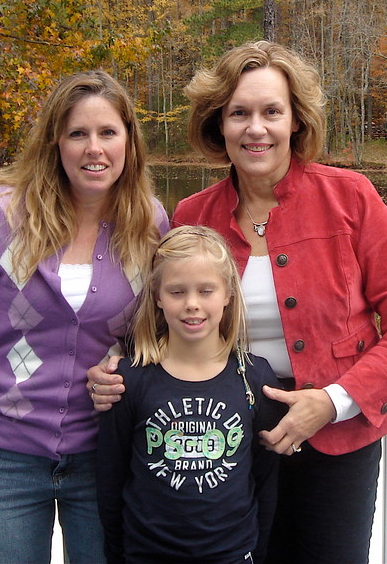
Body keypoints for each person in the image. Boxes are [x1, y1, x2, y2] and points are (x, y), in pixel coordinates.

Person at [90, 41, 387, 564]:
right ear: (219, 124)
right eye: (239, 113)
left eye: (272, 111)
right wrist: (118, 365)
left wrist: (333, 401)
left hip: (337, 439)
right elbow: (164, 316)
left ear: (296, 120)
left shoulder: (351, 199)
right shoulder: (194, 214)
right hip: (226, 439)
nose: (256, 129)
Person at [0, 70, 169, 564]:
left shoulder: (148, 224)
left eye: (108, 133)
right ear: (56, 142)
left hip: (104, 458)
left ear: (129, 142)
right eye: (78, 133)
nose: (94, 148)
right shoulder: (2, 216)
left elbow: (161, 336)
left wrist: (126, 372)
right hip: (0, 462)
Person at [96, 225, 283, 564]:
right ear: (157, 296)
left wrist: (259, 550)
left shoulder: (255, 378)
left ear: (228, 293)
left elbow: (265, 478)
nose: (192, 304)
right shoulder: (130, 380)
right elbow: (112, 478)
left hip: (232, 554)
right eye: (177, 292)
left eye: (206, 290)